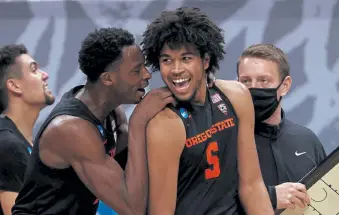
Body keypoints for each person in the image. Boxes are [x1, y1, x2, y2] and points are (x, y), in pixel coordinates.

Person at [12, 27, 175, 215]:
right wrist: (138, 122)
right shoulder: (71, 129)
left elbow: (136, 173)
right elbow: (132, 207)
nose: (147, 75)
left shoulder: (111, 112)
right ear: (107, 79)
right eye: (137, 70)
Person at [141, 7, 274, 215]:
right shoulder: (164, 124)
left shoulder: (237, 96)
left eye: (186, 58)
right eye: (167, 60)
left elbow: (252, 184)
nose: (176, 69)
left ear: (206, 61)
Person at [236, 44, 327, 211]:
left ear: (285, 85)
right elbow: (209, 205)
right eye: (246, 81)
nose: (253, 88)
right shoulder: (224, 141)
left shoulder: (307, 140)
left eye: (263, 80)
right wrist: (270, 197)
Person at [0, 44, 55, 215]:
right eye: (34, 70)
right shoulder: (8, 147)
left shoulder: (24, 145)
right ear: (14, 86)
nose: (45, 75)